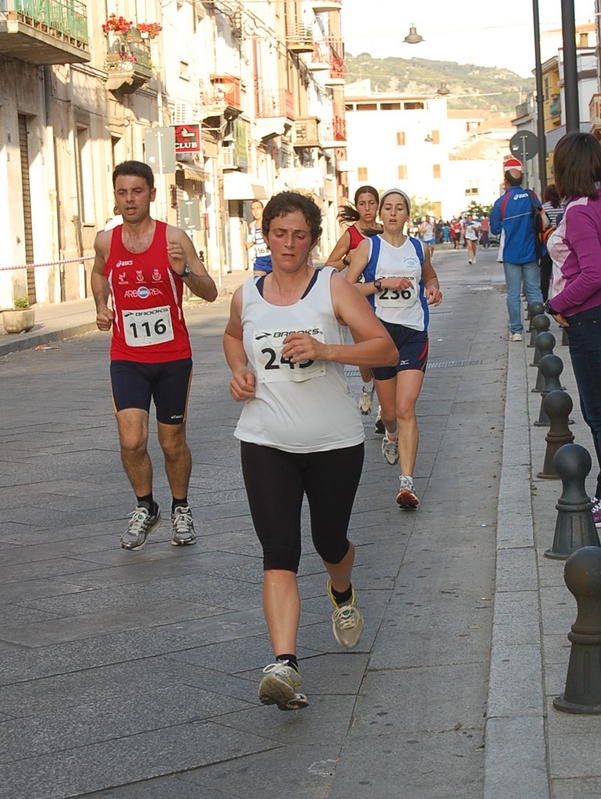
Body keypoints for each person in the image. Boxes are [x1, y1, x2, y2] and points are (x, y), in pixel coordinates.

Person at [223, 191, 397, 711]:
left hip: (333, 442)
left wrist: (326, 349)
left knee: (328, 540)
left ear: (313, 240)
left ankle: (341, 591)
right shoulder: (246, 294)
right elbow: (234, 338)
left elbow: (384, 347)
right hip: (265, 439)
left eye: (300, 235)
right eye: (280, 234)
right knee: (279, 551)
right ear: (267, 235)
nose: (289, 244)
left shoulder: (332, 287)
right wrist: (239, 371)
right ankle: (285, 665)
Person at [91, 160, 218, 551]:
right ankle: (146, 506)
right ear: (116, 196)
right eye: (122, 192)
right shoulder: (106, 241)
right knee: (132, 440)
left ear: (152, 194)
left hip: (173, 357)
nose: (129, 199)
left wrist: (182, 273)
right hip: (126, 355)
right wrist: (101, 303)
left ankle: (181, 507)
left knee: (171, 442)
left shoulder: (174, 238)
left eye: (137, 191)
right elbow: (99, 273)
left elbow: (210, 291)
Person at [346, 189, 443, 509]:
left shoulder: (419, 247)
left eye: (399, 208)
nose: (391, 213)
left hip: (414, 333)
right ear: (381, 214)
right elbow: (345, 289)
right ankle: (390, 435)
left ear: (406, 215)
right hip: (381, 336)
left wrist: (433, 288)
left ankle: (407, 484)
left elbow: (429, 275)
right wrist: (380, 284)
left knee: (405, 408)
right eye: (387, 207)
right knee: (389, 414)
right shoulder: (368, 246)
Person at [545, 132, 601, 526]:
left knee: (596, 414)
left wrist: (556, 304)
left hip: (589, 320)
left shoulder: (580, 210)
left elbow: (594, 271)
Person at [326, 185, 381, 415]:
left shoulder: (386, 229)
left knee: (386, 350)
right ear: (356, 206)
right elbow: (329, 265)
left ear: (378, 205)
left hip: (384, 298)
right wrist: (348, 261)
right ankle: (368, 386)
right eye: (362, 204)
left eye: (371, 203)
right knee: (364, 351)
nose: (367, 208)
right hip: (358, 299)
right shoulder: (351, 234)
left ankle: (384, 410)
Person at [490, 157, 543, 342]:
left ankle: (516, 331)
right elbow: (541, 219)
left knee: (513, 293)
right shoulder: (531, 196)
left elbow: (495, 229)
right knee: (534, 290)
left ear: (506, 182)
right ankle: (539, 326)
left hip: (511, 255)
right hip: (531, 252)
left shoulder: (501, 202)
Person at [539, 184, 564, 301]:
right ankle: (560, 297)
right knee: (560, 272)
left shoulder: (544, 208)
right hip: (562, 244)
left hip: (547, 245)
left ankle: (543, 299)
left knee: (545, 273)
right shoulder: (564, 207)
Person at [246, 199, 272, 276]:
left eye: (258, 208)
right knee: (258, 282)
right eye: (253, 209)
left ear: (263, 209)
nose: (256, 211)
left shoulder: (269, 223)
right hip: (260, 259)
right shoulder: (252, 225)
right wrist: (250, 243)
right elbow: (252, 241)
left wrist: (266, 236)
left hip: (271, 257)